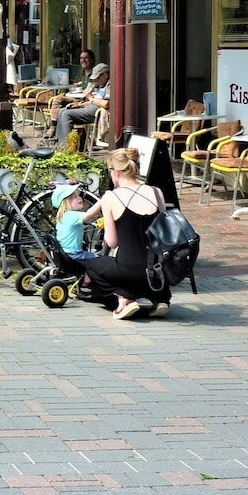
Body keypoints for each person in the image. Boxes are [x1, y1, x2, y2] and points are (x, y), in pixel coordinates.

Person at [85, 148, 172, 319]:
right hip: (158, 270)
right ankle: (160, 299)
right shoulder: (156, 192)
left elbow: (112, 242)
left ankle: (124, 298)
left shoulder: (111, 197)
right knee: (146, 271)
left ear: (116, 172)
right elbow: (165, 231)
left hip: (128, 269)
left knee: (92, 266)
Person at [52, 183, 102, 294]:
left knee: (91, 256)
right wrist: (102, 202)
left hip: (64, 254)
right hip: (74, 255)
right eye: (75, 197)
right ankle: (86, 284)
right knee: (98, 259)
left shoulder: (64, 216)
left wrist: (96, 216)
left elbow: (87, 219)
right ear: (66, 202)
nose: (80, 198)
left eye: (79, 196)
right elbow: (88, 215)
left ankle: (83, 280)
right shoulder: (71, 215)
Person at [55, 62, 110, 146]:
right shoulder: (102, 85)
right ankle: (58, 142)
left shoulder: (110, 85)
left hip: (98, 112)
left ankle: (65, 147)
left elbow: (106, 104)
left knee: (66, 114)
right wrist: (79, 105)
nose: (96, 80)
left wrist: (91, 98)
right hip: (92, 107)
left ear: (105, 75)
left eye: (97, 77)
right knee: (62, 111)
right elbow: (94, 101)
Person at [45, 50, 96, 138]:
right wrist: (76, 86)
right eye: (81, 58)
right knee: (57, 99)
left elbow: (93, 90)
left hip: (86, 100)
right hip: (77, 97)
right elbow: (78, 84)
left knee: (63, 111)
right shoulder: (81, 73)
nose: (83, 60)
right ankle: (53, 126)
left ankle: (62, 134)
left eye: (86, 58)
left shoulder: (95, 74)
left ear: (91, 60)